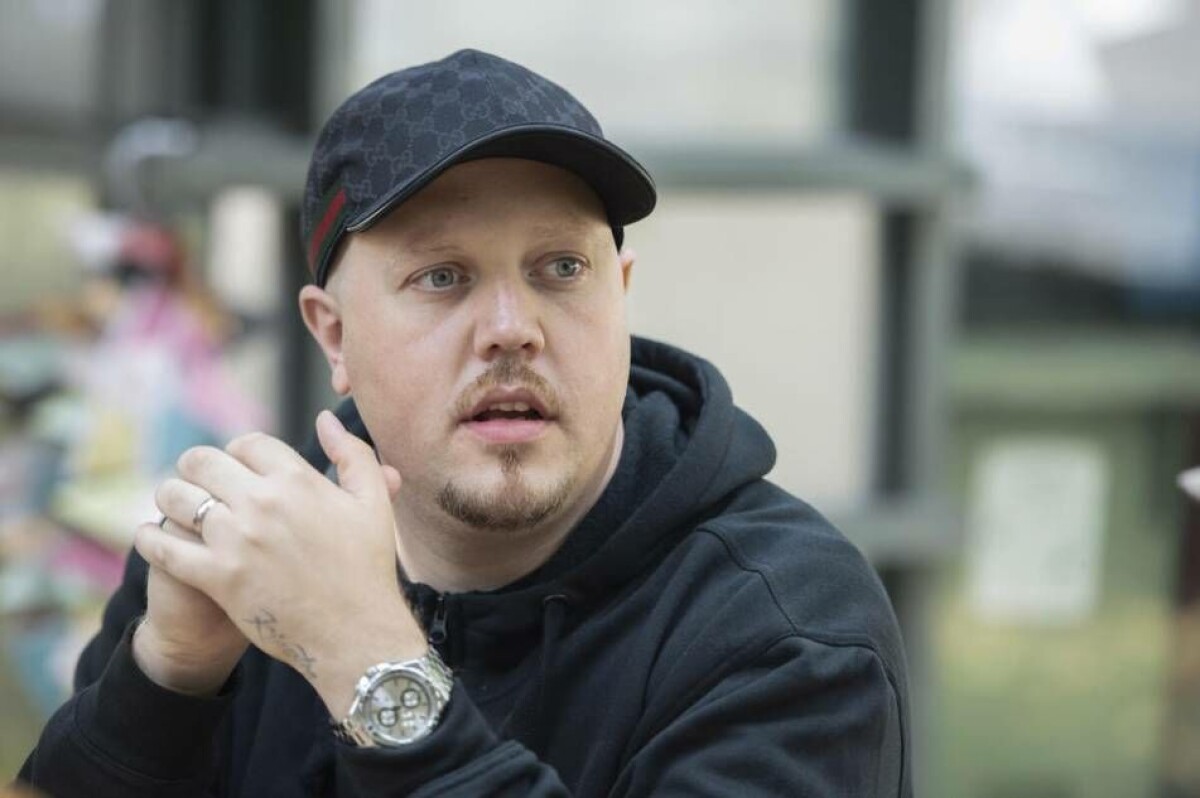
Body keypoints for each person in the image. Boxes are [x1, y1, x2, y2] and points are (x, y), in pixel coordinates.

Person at [18, 49, 912, 797]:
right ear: (334, 335)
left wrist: (368, 661)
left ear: (621, 295)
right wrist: (163, 682)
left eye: (561, 268)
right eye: (441, 277)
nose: (513, 329)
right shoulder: (240, 555)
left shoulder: (786, 629)